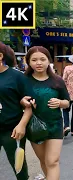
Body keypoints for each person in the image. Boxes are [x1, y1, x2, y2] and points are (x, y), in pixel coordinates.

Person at [22, 46, 70, 180]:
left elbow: (68, 101)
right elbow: (17, 100)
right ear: (28, 62)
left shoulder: (57, 80)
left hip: (55, 125)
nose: (39, 63)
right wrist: (23, 102)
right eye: (34, 60)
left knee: (52, 161)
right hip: (34, 127)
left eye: (42, 59)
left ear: (48, 60)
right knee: (43, 161)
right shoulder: (23, 81)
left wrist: (60, 103)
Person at [0, 42, 33, 180]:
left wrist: (21, 125)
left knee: (19, 168)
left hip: (12, 130)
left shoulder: (16, 76)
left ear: (0, 56)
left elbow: (29, 105)